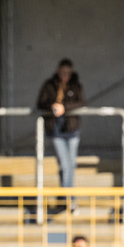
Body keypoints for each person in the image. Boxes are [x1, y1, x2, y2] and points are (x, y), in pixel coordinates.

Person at [37, 59, 85, 191]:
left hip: (72, 128)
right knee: (65, 164)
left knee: (71, 164)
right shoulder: (49, 85)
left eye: (68, 72)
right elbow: (40, 103)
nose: (65, 75)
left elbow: (81, 103)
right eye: (63, 72)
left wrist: (64, 107)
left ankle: (66, 197)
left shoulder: (76, 86)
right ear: (58, 70)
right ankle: (68, 198)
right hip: (56, 129)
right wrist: (52, 106)